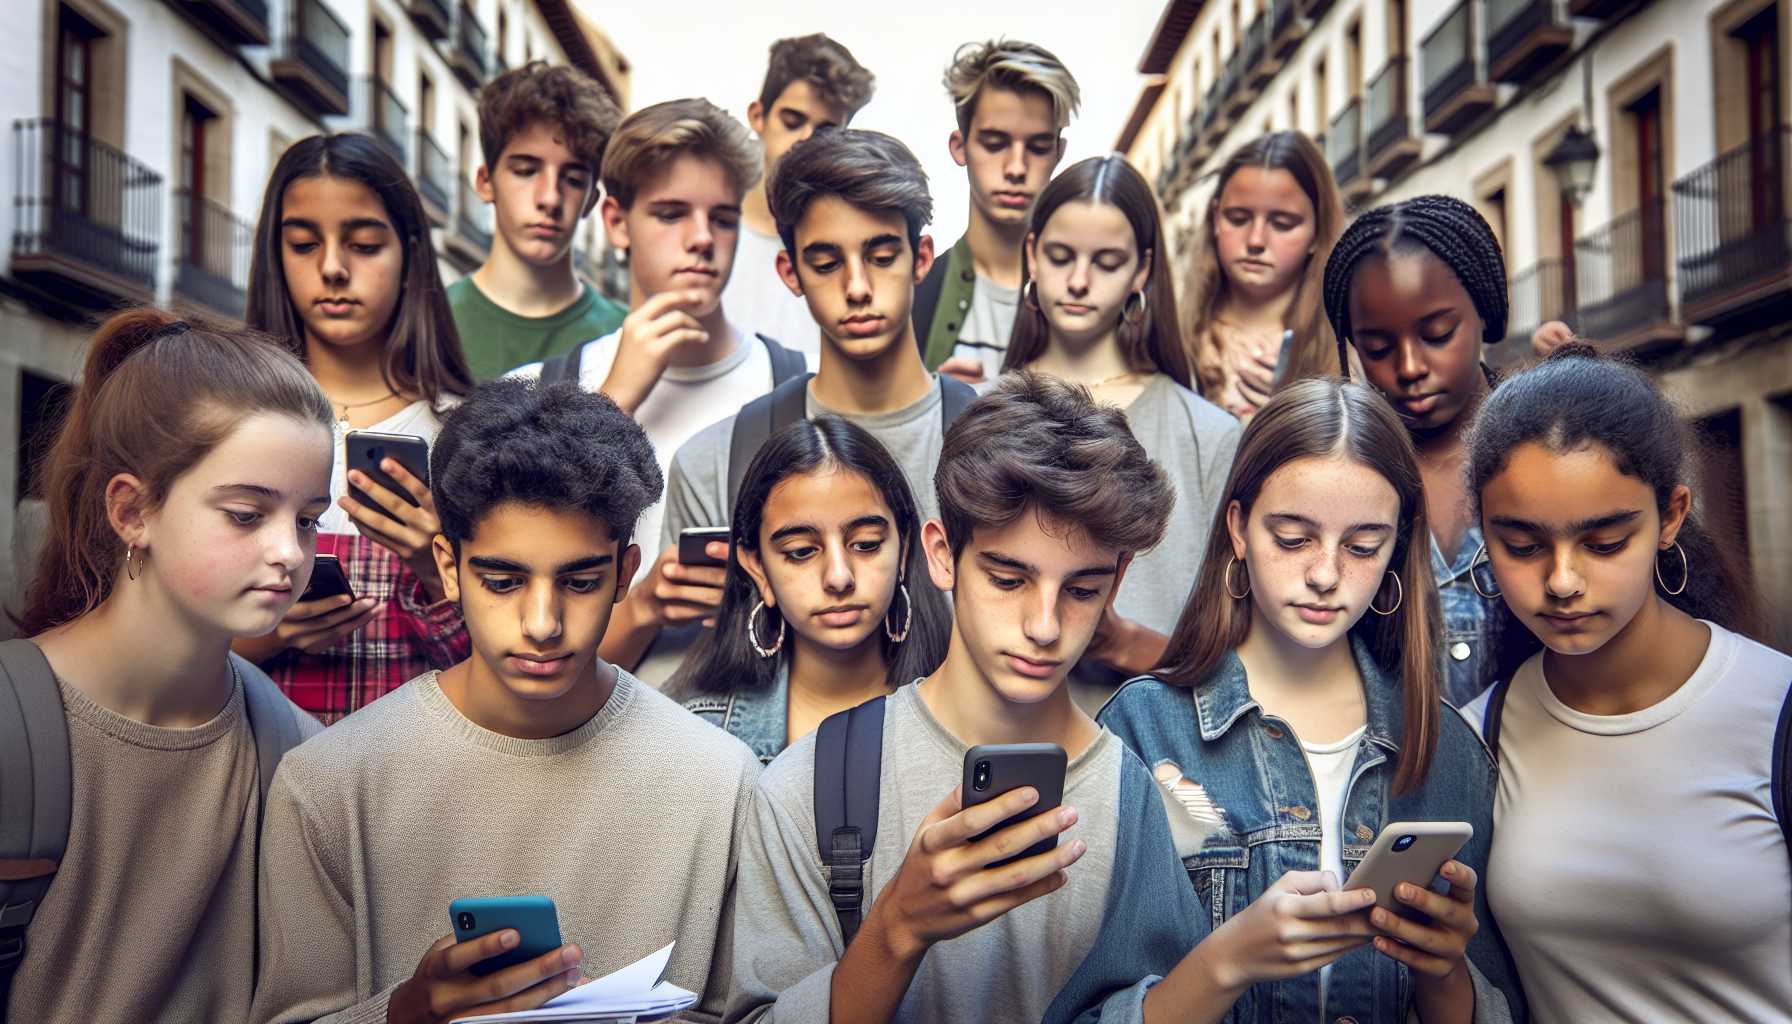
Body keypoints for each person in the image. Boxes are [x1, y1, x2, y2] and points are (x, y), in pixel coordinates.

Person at [249, 378, 761, 1024]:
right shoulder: (329, 785)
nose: (542, 622)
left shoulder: (720, 780)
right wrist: (404, 1016)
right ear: (449, 564)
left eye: (579, 581)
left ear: (625, 574)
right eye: (503, 580)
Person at [726, 372, 1216, 1023]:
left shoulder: (1131, 796)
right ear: (941, 554)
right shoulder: (809, 785)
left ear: (1118, 578)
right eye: (1009, 578)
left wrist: (1223, 968)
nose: (1044, 626)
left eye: (1081, 590)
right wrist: (896, 928)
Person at [1098, 379, 1523, 1023]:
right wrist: (1227, 961)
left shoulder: (1450, 752)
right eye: (1294, 538)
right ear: (1238, 528)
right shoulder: (1142, 730)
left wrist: (1443, 972)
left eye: (1361, 546)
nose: (1326, 574)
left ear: (1395, 549)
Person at [5, 309, 330, 1023]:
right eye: (248, 514)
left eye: (308, 519)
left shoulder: (300, 754)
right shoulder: (14, 727)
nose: (290, 552)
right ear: (132, 511)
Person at [1460, 344, 1785, 1023]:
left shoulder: (1776, 709)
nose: (1562, 580)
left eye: (1604, 542)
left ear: (1670, 517)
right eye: (1521, 544)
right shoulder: (1478, 737)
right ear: (1482, 532)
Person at [612, 128, 976, 685]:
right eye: (827, 263)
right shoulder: (717, 460)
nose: (857, 287)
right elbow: (677, 696)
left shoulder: (992, 444)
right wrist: (647, 607)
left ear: (921, 257)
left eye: (880, 256)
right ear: (791, 273)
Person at [511, 98, 804, 598]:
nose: (701, 239)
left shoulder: (798, 384)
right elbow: (510, 573)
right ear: (617, 223)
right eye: (671, 215)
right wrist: (611, 400)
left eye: (724, 218)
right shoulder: (529, 390)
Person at [242, 132, 476, 722]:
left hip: (420, 773)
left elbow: (507, 659)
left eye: (365, 245)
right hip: (261, 764)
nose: (332, 268)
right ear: (276, 256)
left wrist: (433, 563)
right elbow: (166, 639)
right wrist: (268, 634)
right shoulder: (230, 418)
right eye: (302, 244)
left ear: (409, 257)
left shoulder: (463, 431)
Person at [1001, 154, 1239, 698]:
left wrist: (1125, 642)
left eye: (1106, 262)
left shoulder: (1208, 433)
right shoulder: (977, 412)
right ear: (1032, 254)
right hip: (1001, 741)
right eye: (1061, 256)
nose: (1079, 281)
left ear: (1141, 269)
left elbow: (1239, 642)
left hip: (1161, 752)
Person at [1320, 194, 1539, 708]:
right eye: (1376, 348)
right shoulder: (1338, 469)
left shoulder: (1548, 446)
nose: (1410, 365)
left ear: (1485, 312)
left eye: (1438, 334)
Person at [666, 415, 950, 762]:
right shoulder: (700, 735)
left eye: (866, 544)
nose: (839, 577)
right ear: (757, 567)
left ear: (904, 549)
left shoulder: (970, 714)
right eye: (801, 552)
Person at [448, 61, 627, 381]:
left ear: (591, 200)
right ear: (485, 182)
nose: (550, 198)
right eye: (526, 171)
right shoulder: (430, 325)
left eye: (572, 179)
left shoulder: (623, 338)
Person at [917, 39, 1081, 385]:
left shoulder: (1085, 292)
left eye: (1037, 147)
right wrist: (930, 403)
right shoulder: (914, 294)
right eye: (995, 144)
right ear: (960, 147)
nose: (1017, 167)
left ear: (1058, 153)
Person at [726, 33, 876, 359]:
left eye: (824, 131)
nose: (805, 141)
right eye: (792, 121)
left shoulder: (857, 252)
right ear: (757, 116)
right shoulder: (706, 232)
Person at [1181, 132, 1343, 421]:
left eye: (1282, 224)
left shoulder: (1348, 347)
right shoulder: (1172, 338)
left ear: (1318, 232)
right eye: (1238, 218)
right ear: (1215, 218)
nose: (1256, 240)